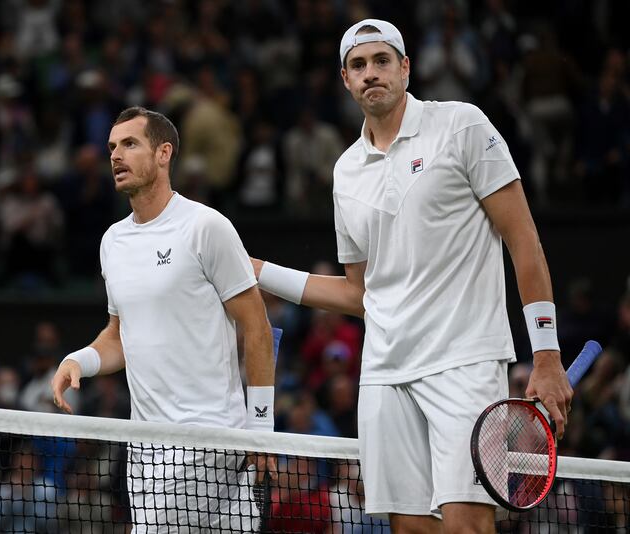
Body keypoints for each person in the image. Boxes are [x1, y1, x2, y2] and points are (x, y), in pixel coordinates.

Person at [252, 19, 572, 534]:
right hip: (384, 372)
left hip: (464, 361)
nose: (370, 73)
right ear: (344, 79)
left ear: (405, 67)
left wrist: (548, 354)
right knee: (411, 528)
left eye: (382, 61)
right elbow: (360, 293)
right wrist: (261, 273)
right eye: (358, 65)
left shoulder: (463, 125)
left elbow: (524, 241)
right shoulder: (345, 171)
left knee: (466, 525)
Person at [51, 106, 276, 532]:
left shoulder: (206, 227)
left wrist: (261, 427)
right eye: (112, 146)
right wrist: (79, 360)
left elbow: (257, 326)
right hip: (147, 450)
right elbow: (120, 334)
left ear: (163, 153)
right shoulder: (112, 242)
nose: (116, 155)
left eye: (130, 144)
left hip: (212, 437)